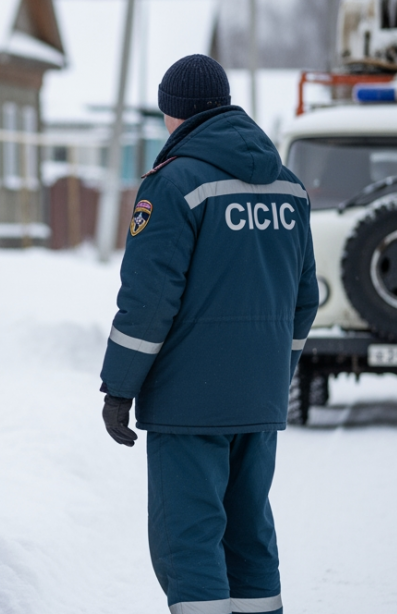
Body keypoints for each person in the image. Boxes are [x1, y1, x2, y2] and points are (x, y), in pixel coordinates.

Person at [98, 55, 318, 614]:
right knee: (248, 536)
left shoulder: (172, 185)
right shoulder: (289, 188)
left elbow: (148, 303)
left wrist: (119, 388)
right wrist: (274, 372)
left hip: (188, 404)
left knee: (188, 543)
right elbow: (305, 298)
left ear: (173, 114)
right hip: (258, 401)